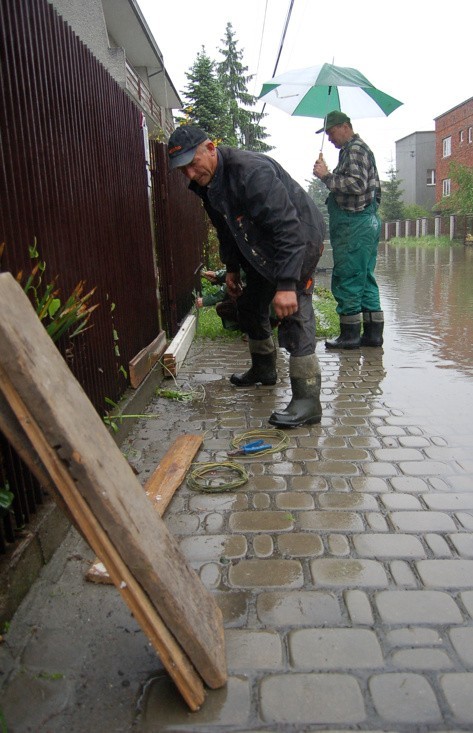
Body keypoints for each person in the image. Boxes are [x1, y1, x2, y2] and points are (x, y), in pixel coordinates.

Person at [168, 124, 326, 427]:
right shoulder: (206, 183)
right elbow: (226, 229)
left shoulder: (251, 172)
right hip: (262, 243)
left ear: (210, 149)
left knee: (293, 311)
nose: (189, 173)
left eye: (192, 163)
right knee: (252, 305)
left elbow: (287, 228)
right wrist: (231, 268)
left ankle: (308, 401)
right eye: (182, 169)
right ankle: (264, 370)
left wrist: (287, 285)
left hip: (299, 239)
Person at [312, 111, 384, 349]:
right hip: (365, 222)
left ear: (345, 126)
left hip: (355, 224)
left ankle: (349, 336)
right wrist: (331, 172)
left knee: (348, 277)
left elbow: (356, 184)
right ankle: (373, 335)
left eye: (331, 132)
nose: (330, 138)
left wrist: (326, 176)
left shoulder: (354, 149)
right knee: (365, 278)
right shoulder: (356, 150)